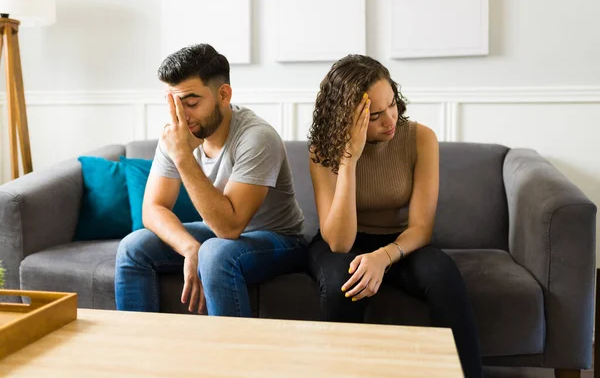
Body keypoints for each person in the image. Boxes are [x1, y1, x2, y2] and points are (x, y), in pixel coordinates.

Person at [306, 54, 482, 377]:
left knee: (443, 274)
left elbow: (421, 228)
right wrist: (349, 160)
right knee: (342, 283)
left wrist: (382, 258)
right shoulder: (323, 149)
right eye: (374, 115)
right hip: (342, 241)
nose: (389, 120)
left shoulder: (420, 138)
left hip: (400, 241)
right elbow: (339, 242)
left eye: (392, 105)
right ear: (347, 119)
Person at [115, 44, 306, 317]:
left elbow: (229, 228)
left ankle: (228, 358)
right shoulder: (177, 133)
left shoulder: (257, 137)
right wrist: (189, 246)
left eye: (191, 103)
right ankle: (140, 352)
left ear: (223, 95)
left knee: (215, 253)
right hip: (216, 235)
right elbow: (153, 209)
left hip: (280, 239)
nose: (182, 116)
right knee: (133, 247)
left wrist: (182, 156)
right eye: (174, 104)